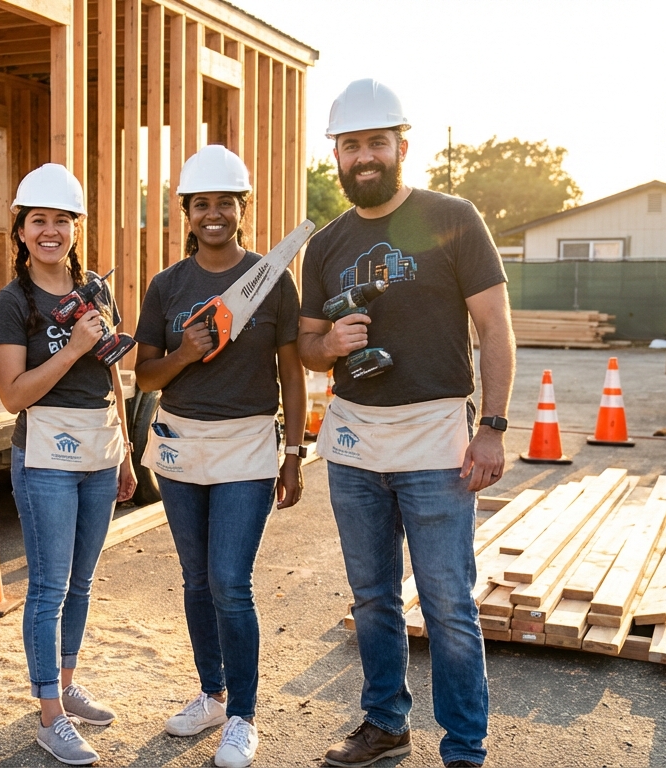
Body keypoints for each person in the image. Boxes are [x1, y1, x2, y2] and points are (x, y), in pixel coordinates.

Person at [297, 79, 514, 768]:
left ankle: (465, 748)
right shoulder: (325, 244)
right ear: (336, 154)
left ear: (401, 146)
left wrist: (494, 426)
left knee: (448, 603)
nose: (364, 156)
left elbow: (495, 327)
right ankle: (385, 724)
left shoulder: (453, 218)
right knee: (372, 598)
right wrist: (328, 345)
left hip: (436, 440)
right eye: (351, 145)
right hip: (355, 443)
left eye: (376, 142)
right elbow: (306, 344)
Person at [133, 145, 306, 768]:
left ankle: (242, 717)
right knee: (197, 580)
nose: (214, 214)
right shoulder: (167, 286)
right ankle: (212, 694)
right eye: (201, 203)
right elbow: (145, 376)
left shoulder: (272, 279)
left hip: (249, 447)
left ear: (242, 208)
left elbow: (291, 372)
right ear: (186, 212)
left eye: (225, 203)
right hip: (181, 447)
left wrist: (295, 452)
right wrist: (184, 352)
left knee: (231, 582)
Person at [0, 164, 137, 766]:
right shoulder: (11, 302)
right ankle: (49, 713)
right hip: (47, 453)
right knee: (49, 585)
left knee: (82, 581)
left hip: (101, 448)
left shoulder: (95, 290)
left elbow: (111, 371)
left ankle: (67, 684)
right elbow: (12, 395)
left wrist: (125, 448)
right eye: (38, 220)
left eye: (62, 220)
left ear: (76, 227)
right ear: (21, 230)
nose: (50, 231)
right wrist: (73, 347)